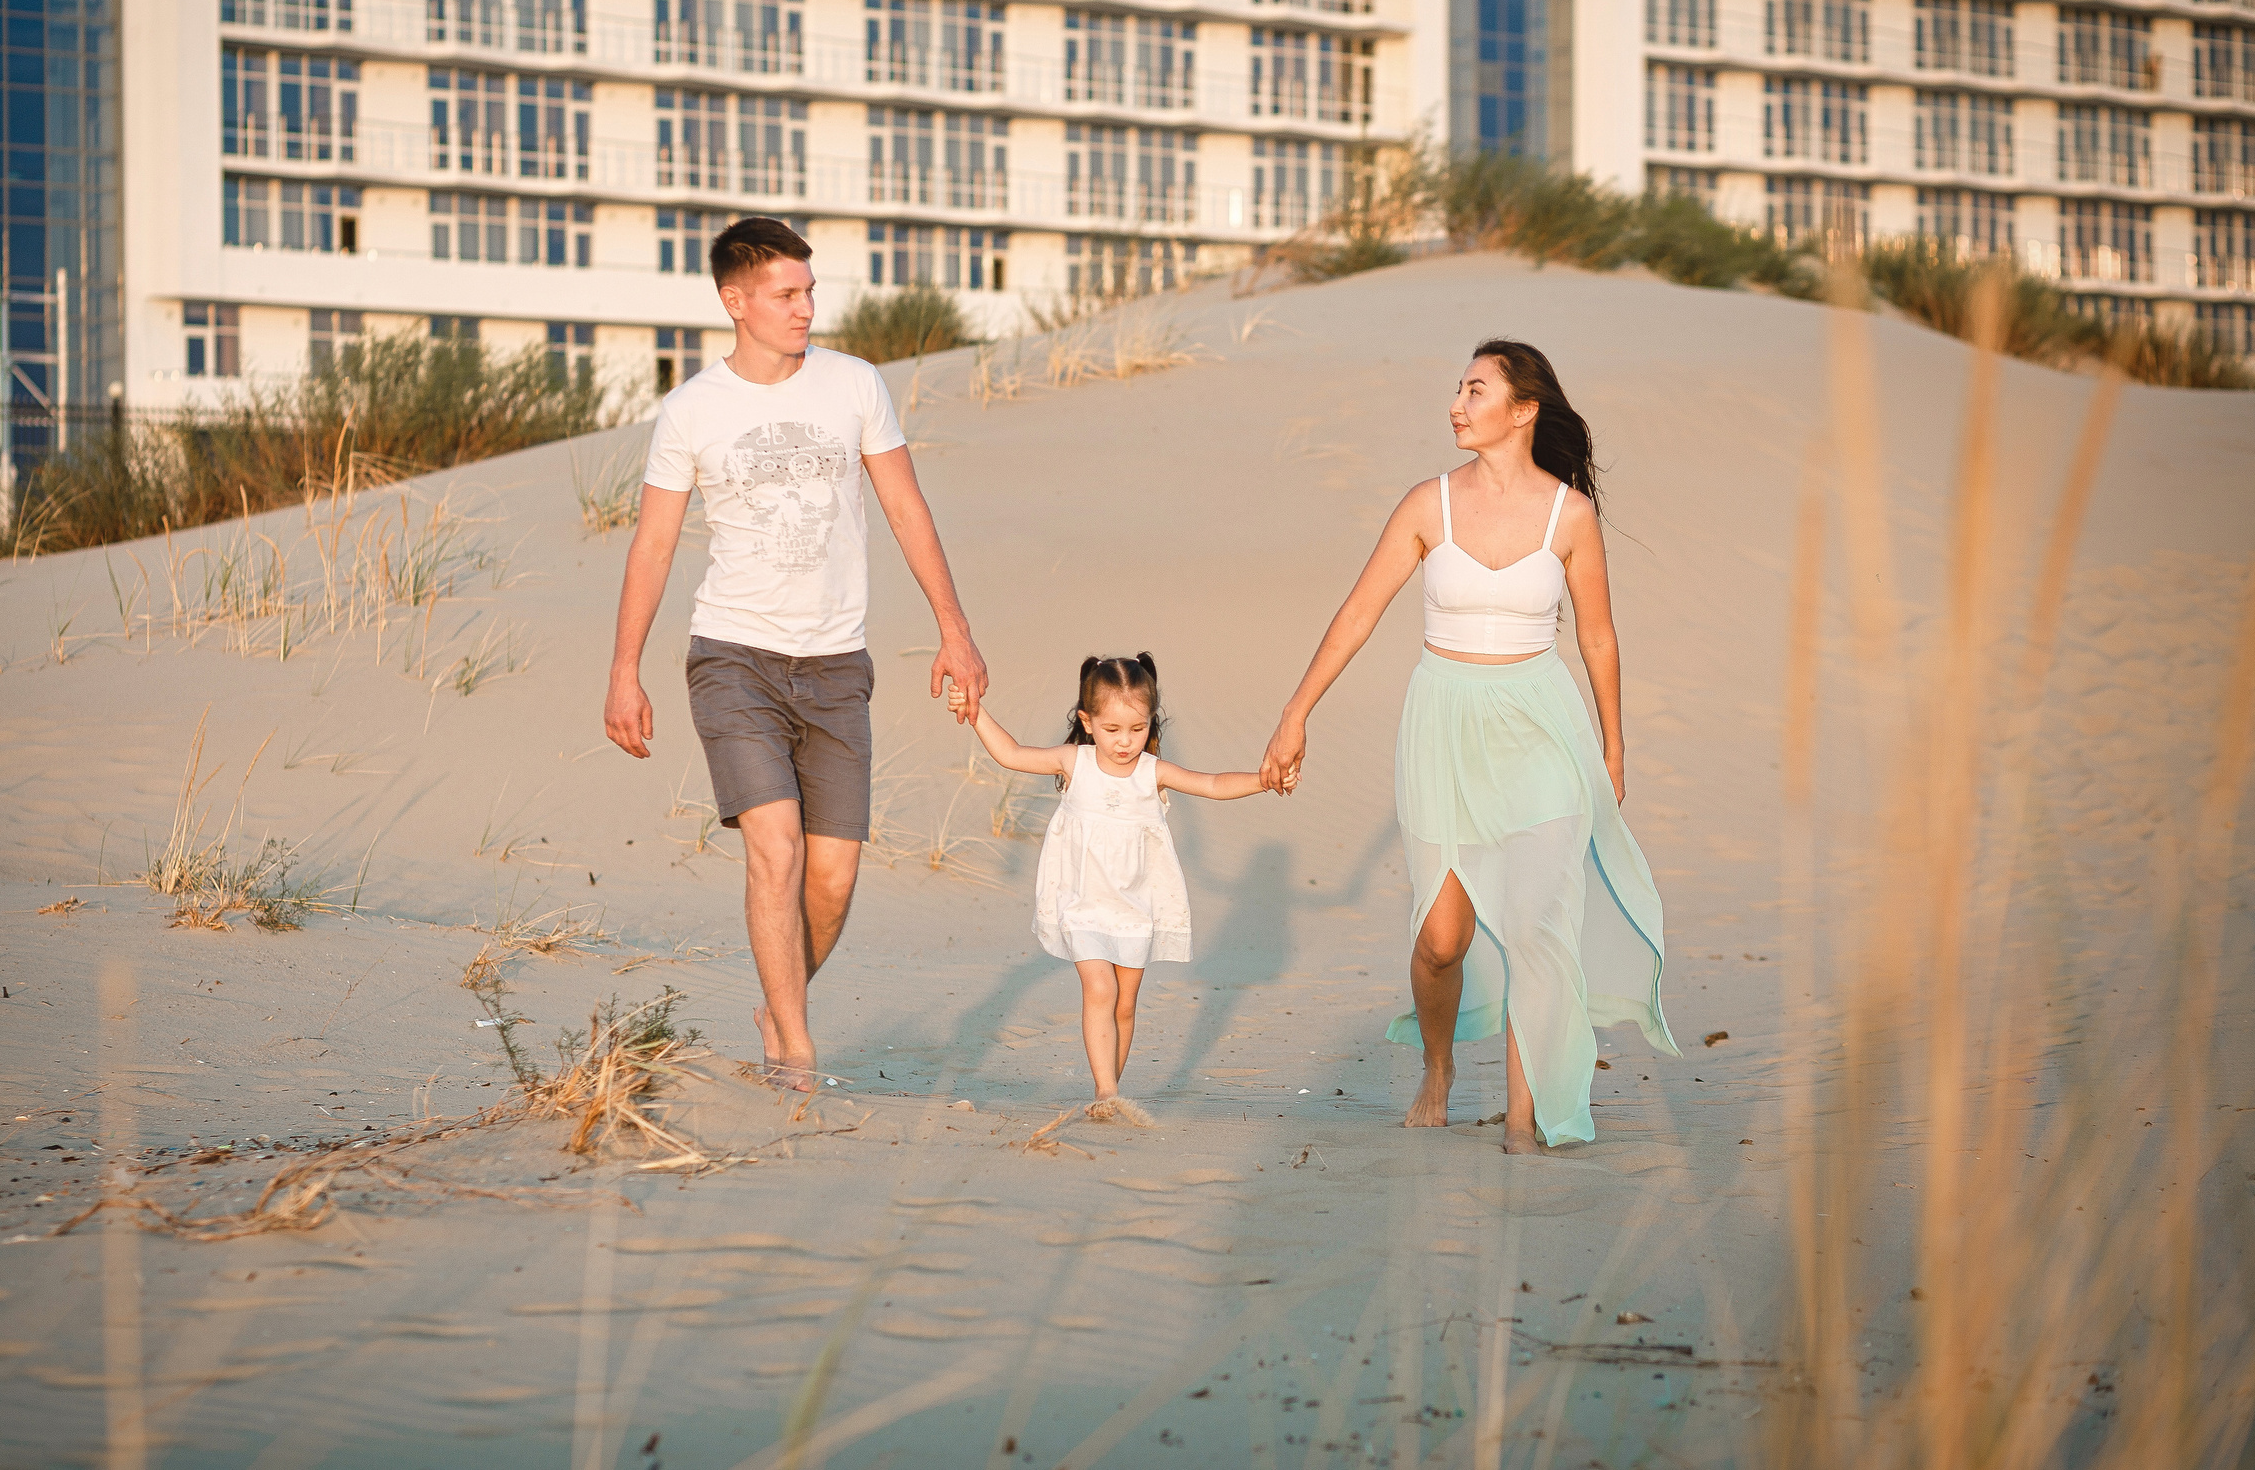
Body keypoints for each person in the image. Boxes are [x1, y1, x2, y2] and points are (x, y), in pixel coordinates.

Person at [1258, 340, 1677, 1153]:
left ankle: (1527, 1118)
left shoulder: (1572, 516)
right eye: (1458, 387)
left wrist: (1613, 749)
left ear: (1522, 409)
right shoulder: (1427, 505)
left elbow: (1597, 638)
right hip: (1444, 724)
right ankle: (1439, 1064)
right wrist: (1294, 712)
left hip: (1541, 728)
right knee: (1443, 938)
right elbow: (1356, 615)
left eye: (1475, 389)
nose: (1456, 402)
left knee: (1536, 926)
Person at [604, 217, 987, 1087]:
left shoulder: (854, 386)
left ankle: (779, 1007)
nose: (805, 308)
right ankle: (796, 1058)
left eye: (809, 290)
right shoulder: (693, 410)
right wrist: (624, 670)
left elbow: (906, 508)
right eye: (786, 294)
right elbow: (654, 546)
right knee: (772, 845)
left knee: (834, 879)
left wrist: (955, 630)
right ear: (735, 301)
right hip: (734, 656)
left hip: (836, 665)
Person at [949, 655, 1268, 1126]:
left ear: (1150, 724)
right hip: (1083, 902)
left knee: (1124, 1004)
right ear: (1087, 720)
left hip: (1137, 906)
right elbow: (1011, 754)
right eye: (1112, 728)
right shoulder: (1073, 762)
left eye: (1137, 729)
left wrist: (1265, 779)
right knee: (1098, 987)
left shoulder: (1152, 772)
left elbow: (1213, 784)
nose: (1124, 742)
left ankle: (1108, 1096)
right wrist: (975, 711)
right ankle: (1105, 1090)